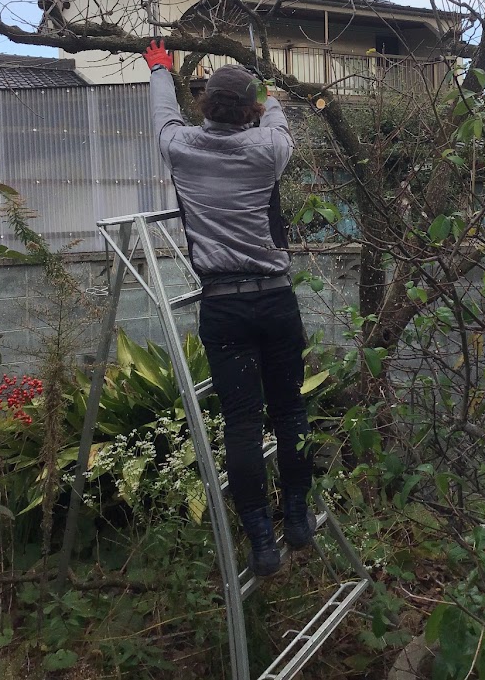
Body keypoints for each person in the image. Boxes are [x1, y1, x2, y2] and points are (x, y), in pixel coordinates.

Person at [143, 39, 314, 576]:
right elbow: (277, 116)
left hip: (223, 308)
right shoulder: (268, 149)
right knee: (290, 412)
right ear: (252, 110)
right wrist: (269, 91)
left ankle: (262, 543)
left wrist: (159, 69)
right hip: (274, 300)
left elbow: (163, 114)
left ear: (205, 105)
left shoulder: (180, 148)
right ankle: (299, 518)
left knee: (243, 425)